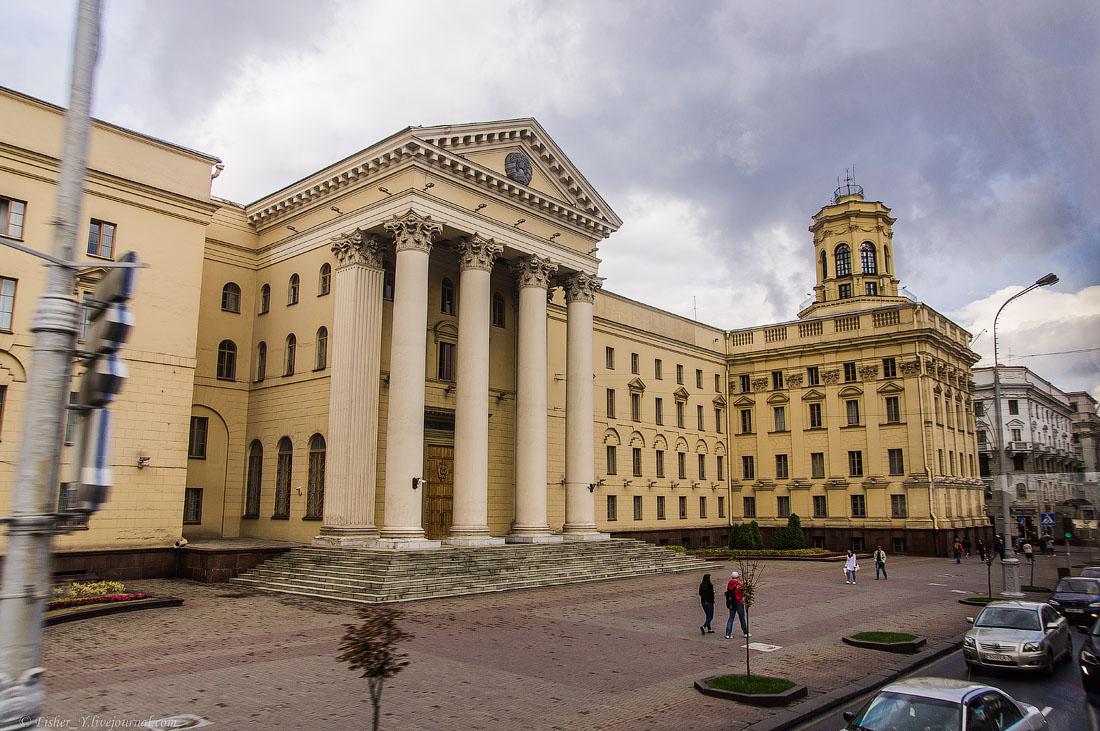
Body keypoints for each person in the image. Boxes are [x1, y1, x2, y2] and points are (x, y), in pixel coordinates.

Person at [724, 570, 750, 639]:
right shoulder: (739, 585)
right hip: (739, 603)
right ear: (737, 577)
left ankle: (728, 634)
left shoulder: (729, 584)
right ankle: (745, 633)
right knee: (742, 618)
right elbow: (743, 593)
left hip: (731, 603)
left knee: (731, 618)